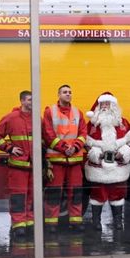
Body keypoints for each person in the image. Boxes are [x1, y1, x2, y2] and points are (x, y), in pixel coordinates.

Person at [84, 92, 130, 231]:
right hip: (98, 167)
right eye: (103, 103)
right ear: (98, 105)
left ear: (114, 105)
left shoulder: (123, 122)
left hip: (118, 167)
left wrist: (124, 153)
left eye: (108, 103)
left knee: (118, 194)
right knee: (97, 195)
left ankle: (118, 222)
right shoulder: (91, 125)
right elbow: (85, 142)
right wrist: (95, 154)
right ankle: (96, 222)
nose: (105, 106)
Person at [42, 84, 88, 232]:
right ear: (58, 94)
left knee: (76, 192)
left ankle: (76, 222)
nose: (68, 94)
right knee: (54, 192)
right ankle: (51, 224)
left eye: (70, 92)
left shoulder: (78, 112)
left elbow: (83, 134)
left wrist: (74, 147)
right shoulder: (50, 111)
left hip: (74, 160)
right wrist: (64, 148)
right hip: (56, 160)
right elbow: (48, 134)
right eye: (64, 92)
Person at [0, 90, 34, 238]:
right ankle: (19, 225)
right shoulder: (11, 118)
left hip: (34, 167)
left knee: (32, 197)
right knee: (18, 197)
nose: (31, 102)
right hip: (18, 167)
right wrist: (10, 148)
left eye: (33, 100)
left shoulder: (37, 119)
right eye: (29, 100)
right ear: (22, 101)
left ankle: (30, 223)